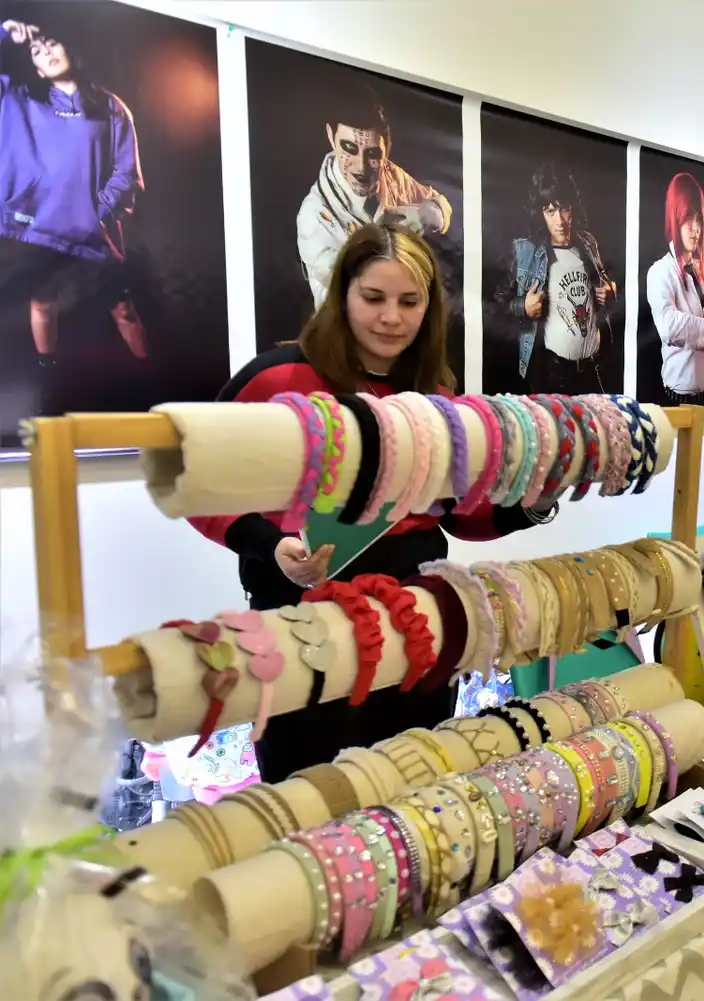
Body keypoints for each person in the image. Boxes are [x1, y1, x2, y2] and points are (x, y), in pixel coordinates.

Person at [189, 223, 546, 782]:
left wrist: (530, 504)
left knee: (412, 786)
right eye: (373, 298)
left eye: (410, 302)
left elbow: (453, 509)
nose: (391, 318)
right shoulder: (277, 378)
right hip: (303, 620)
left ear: (430, 308)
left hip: (417, 619)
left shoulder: (439, 395)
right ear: (342, 295)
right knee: (309, 795)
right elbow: (201, 481)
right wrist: (268, 544)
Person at [0, 17, 147, 361]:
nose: (46, 51)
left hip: (93, 235)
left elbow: (127, 173)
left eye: (52, 44)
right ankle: (47, 371)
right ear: (35, 68)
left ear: (69, 50)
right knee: (43, 305)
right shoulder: (19, 100)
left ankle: (157, 381)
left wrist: (96, 215)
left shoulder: (111, 108)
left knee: (124, 311)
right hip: (39, 232)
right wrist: (4, 33)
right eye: (37, 50)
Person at [296, 86, 451, 308]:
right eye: (349, 148)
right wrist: (386, 240)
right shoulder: (313, 215)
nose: (361, 167)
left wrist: (425, 214)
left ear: (387, 145)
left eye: (372, 154)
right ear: (331, 136)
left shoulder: (392, 175)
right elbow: (353, 287)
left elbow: (442, 206)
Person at [495, 162, 616, 395]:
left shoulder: (588, 243)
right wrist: (523, 307)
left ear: (573, 208)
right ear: (541, 214)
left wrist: (609, 292)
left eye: (564, 209)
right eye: (550, 211)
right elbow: (496, 307)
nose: (559, 220)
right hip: (554, 372)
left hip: (593, 368)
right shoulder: (525, 251)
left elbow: (604, 290)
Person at [645, 171, 704, 406]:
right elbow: (668, 325)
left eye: (699, 219)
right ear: (675, 217)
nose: (695, 228)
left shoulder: (701, 270)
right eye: (688, 218)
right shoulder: (660, 271)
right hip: (673, 396)